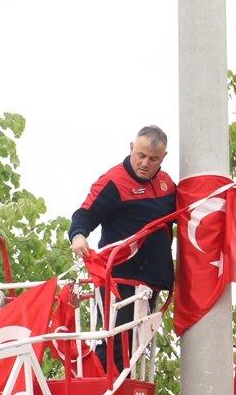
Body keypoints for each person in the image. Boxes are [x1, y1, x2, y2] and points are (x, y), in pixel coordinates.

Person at [68, 126, 176, 373]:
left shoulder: (166, 184)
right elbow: (85, 213)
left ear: (163, 158)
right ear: (131, 148)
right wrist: (78, 235)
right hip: (118, 280)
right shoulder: (114, 181)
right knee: (113, 344)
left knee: (137, 348)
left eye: (153, 159)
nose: (145, 163)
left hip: (150, 284)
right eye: (140, 155)